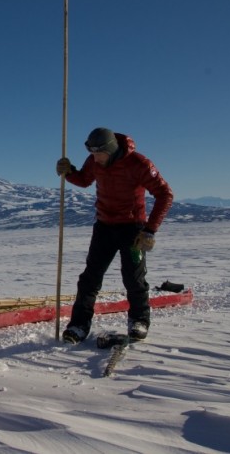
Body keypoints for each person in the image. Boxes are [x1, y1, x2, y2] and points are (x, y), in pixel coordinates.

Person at [56, 127, 173, 343]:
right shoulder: (94, 162)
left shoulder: (139, 164)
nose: (94, 158)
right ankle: (79, 326)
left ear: (110, 149)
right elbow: (84, 180)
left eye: (98, 154)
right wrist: (69, 172)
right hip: (104, 227)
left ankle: (139, 321)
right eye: (91, 153)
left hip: (133, 229)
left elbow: (165, 194)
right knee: (90, 278)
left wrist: (150, 230)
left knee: (133, 278)